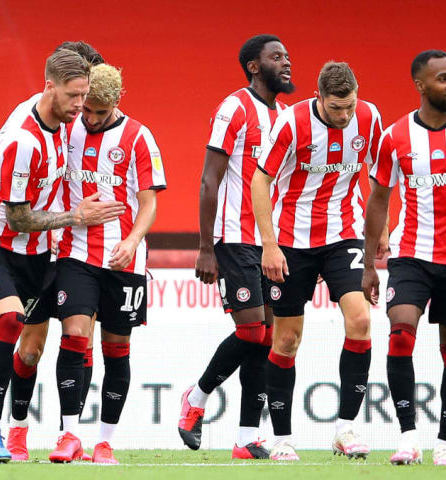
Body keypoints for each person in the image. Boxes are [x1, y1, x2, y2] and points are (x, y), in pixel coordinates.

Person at [0, 49, 124, 463]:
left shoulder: (62, 120)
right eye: (74, 96)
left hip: (35, 251)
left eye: (85, 97)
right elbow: (18, 216)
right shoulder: (24, 140)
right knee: (9, 320)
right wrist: (76, 216)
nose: (81, 107)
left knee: (12, 336)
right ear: (50, 87)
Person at [251, 62, 385, 461]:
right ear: (318, 97)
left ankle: (345, 431)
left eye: (349, 106)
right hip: (291, 241)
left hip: (344, 233)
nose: (344, 116)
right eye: (335, 108)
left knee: (360, 320)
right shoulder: (291, 124)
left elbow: (379, 178)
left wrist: (381, 233)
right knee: (287, 339)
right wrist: (269, 244)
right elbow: (261, 180)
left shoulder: (369, 116)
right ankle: (282, 438)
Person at [362, 50, 446, 467]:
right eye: (443, 79)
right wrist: (367, 264)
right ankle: (408, 438)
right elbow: (379, 200)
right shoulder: (396, 137)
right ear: (420, 85)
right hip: (411, 254)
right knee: (400, 335)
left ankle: (445, 443)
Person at [178, 34, 293, 460]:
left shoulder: (283, 116)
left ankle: (246, 438)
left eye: (287, 56)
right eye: (276, 57)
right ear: (253, 66)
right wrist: (206, 246)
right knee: (251, 331)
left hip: (267, 242)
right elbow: (210, 179)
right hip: (232, 236)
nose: (286, 62)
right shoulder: (234, 108)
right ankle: (197, 396)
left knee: (265, 337)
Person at [47, 62, 166, 464]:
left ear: (117, 102)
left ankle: (105, 441)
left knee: (117, 347)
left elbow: (149, 204)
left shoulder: (139, 137)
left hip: (123, 259)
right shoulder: (68, 127)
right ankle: (69, 434)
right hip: (76, 250)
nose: (91, 118)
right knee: (75, 334)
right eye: (87, 110)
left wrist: (133, 241)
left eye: (100, 111)